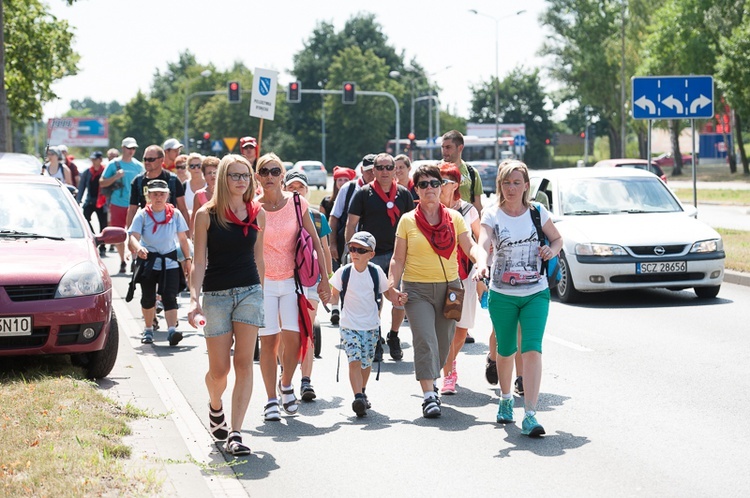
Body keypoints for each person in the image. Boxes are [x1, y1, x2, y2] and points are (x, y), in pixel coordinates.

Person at [388, 164, 488, 418]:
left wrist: (481, 261)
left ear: (441, 186)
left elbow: (470, 246)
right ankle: (429, 395)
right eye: (423, 184)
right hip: (417, 290)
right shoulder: (407, 220)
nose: (430, 188)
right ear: (416, 190)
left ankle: (433, 378)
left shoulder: (454, 218)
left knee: (445, 344)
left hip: (450, 288)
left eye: (434, 183)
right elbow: (398, 260)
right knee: (425, 339)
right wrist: (391, 287)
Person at [187, 154, 265, 456]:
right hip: (216, 297)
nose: (241, 181)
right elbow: (200, 261)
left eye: (245, 175)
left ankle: (235, 433)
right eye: (235, 175)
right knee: (219, 371)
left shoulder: (257, 213)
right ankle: (215, 405)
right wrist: (195, 301)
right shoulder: (206, 214)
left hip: (249, 293)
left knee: (244, 363)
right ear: (223, 178)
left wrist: (263, 294)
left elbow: (259, 258)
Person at [478, 160, 562, 437]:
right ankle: (505, 399)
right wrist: (481, 263)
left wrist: (551, 251)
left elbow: (557, 239)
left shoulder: (538, 212)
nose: (511, 188)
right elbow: (482, 244)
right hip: (502, 293)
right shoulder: (492, 214)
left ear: (526, 185)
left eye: (517, 182)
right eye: (506, 182)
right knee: (505, 350)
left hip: (536, 292)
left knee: (532, 348)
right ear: (499, 185)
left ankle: (530, 414)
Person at [255, 153, 329, 421]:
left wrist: (325, 279)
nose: (271, 176)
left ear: (283, 175)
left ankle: (286, 384)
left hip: (292, 282)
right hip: (263, 285)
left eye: (276, 171)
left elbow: (317, 243)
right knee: (269, 343)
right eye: (265, 171)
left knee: (295, 339)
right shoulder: (253, 207)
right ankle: (271, 400)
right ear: (258, 177)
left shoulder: (298, 203)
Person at [346, 153, 415, 362]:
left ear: (395, 170)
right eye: (380, 167)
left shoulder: (404, 194)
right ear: (373, 171)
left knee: (399, 298)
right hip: (371, 256)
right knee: (373, 300)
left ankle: (393, 335)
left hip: (399, 255)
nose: (385, 171)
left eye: (388, 167)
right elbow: (351, 225)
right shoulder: (363, 194)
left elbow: (414, 225)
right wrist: (353, 253)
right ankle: (375, 338)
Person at [330, 231, 392, 417]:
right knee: (354, 360)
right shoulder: (343, 272)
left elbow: (388, 292)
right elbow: (333, 295)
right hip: (349, 325)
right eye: (352, 249)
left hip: (371, 326)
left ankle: (362, 392)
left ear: (371, 254)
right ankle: (357, 396)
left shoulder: (376, 272)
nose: (354, 253)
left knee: (366, 363)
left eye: (360, 250)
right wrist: (324, 295)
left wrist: (399, 297)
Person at [283, 170, 333, 402]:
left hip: (310, 279)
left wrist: (327, 279)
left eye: (300, 187)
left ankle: (306, 381)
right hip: (283, 280)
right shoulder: (275, 214)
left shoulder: (316, 217)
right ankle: (286, 379)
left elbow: (324, 249)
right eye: (291, 186)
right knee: (287, 333)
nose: (296, 190)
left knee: (307, 330)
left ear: (306, 191)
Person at [128, 179, 191, 346]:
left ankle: (172, 331)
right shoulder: (142, 214)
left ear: (167, 196)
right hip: (149, 262)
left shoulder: (175, 214)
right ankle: (148, 329)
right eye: (154, 194)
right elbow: (133, 237)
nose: (158, 197)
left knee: (170, 297)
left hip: (169, 262)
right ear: (148, 195)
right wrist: (138, 248)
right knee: (148, 298)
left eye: (162, 194)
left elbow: (183, 240)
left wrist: (188, 259)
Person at [437, 162, 482, 395]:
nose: (440, 185)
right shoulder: (430, 208)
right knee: (445, 327)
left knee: (462, 329)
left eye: (445, 180)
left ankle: (448, 362)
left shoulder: (467, 210)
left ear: (456, 184)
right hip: (436, 276)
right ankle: (448, 373)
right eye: (438, 179)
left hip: (463, 277)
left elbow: (480, 240)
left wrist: (482, 268)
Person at [329, 155, 375, 325]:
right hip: (349, 246)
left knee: (371, 287)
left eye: (374, 170)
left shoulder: (381, 191)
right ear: (361, 170)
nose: (372, 174)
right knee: (346, 282)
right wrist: (333, 244)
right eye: (368, 171)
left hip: (372, 247)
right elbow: (334, 218)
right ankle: (343, 314)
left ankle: (370, 322)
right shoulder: (348, 189)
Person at [126, 145, 190, 239]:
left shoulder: (173, 180)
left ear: (161, 160)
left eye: (151, 159)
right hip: (147, 233)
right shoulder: (138, 181)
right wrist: (131, 237)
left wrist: (187, 237)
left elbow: (183, 209)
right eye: (145, 159)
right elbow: (132, 210)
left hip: (170, 232)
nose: (147, 162)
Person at [100, 137, 144, 273]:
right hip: (117, 203)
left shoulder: (139, 166)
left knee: (136, 233)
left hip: (135, 205)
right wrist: (115, 177)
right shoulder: (114, 164)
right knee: (119, 234)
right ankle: (123, 261)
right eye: (129, 148)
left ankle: (134, 258)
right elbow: (102, 182)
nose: (131, 151)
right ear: (123, 148)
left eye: (133, 148)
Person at [76, 151, 108, 256]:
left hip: (102, 202)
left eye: (95, 159)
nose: (94, 162)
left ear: (100, 160)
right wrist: (78, 200)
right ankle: (94, 236)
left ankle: (102, 246)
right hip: (90, 200)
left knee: (103, 224)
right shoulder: (87, 172)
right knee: (85, 220)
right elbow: (81, 187)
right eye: (92, 160)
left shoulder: (105, 171)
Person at [190, 156, 219, 233]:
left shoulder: (229, 193)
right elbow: (194, 219)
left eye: (215, 172)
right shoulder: (199, 195)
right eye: (209, 173)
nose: (213, 175)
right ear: (204, 176)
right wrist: (192, 237)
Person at [183, 153, 206, 217]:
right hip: (188, 224)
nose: (196, 168)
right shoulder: (184, 186)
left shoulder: (210, 184)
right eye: (192, 166)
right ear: (188, 168)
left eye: (199, 166)